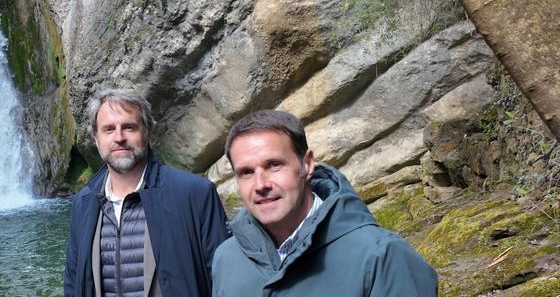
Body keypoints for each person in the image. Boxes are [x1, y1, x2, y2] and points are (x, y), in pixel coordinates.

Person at [211, 109, 437, 296]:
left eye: (274, 165)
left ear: (307, 165)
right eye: (246, 172)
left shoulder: (381, 255)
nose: (260, 184)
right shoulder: (226, 259)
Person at [64, 88, 229, 297]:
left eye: (129, 127)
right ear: (95, 139)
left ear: (147, 132)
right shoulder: (84, 203)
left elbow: (224, 279)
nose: (119, 137)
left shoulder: (195, 194)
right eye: (108, 129)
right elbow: (73, 282)